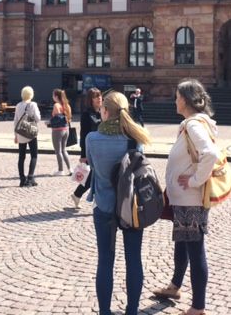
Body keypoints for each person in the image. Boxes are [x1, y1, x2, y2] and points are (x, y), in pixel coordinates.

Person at [153, 79, 219, 315]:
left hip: (190, 200)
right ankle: (175, 286)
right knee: (182, 242)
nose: (175, 100)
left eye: (177, 96)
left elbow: (210, 154)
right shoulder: (192, 124)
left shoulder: (193, 125)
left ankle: (198, 307)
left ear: (185, 100)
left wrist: (193, 181)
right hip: (183, 199)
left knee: (195, 249)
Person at [86, 91, 151, 315]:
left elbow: (92, 166)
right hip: (131, 206)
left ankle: (105, 311)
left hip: (104, 206)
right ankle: (132, 310)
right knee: (134, 259)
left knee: (105, 260)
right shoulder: (135, 138)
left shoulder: (92, 139)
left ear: (105, 111)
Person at [70, 87, 102, 209]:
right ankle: (96, 201)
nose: (99, 98)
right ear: (90, 100)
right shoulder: (86, 114)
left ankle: (77, 195)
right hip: (91, 150)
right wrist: (83, 154)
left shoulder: (102, 112)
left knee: (95, 176)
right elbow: (83, 135)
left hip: (101, 149)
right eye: (96, 96)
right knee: (95, 176)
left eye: (100, 96)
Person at [13, 86, 41, 187]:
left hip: (21, 133)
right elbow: (38, 119)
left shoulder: (18, 105)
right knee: (34, 155)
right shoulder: (33, 104)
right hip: (30, 133)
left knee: (21, 156)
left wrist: (15, 135)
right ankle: (30, 178)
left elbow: (15, 121)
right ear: (31, 94)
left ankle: (22, 179)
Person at [49, 88, 72, 176]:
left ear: (56, 96)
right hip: (66, 129)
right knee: (64, 150)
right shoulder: (67, 105)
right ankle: (70, 169)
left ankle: (61, 170)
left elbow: (58, 118)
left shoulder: (56, 105)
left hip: (57, 131)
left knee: (58, 151)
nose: (52, 97)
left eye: (53, 95)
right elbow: (68, 118)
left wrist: (49, 122)